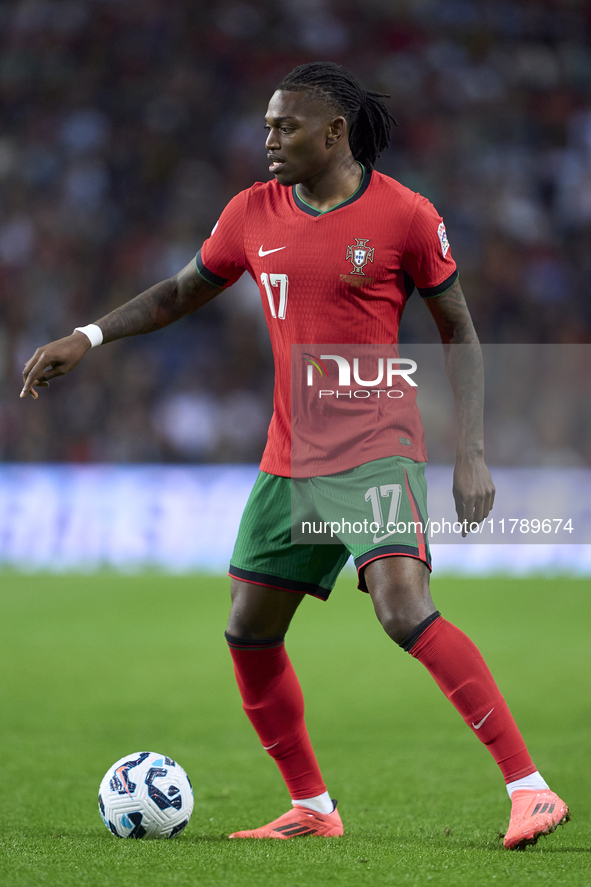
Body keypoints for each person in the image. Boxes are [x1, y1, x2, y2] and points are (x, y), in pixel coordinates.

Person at [21, 62, 568, 849]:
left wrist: (470, 452)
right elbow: (179, 291)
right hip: (289, 458)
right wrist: (90, 335)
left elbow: (460, 331)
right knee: (248, 630)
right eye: (267, 125)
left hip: (376, 446)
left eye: (285, 126)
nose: (268, 138)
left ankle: (530, 788)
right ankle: (311, 805)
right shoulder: (251, 211)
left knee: (400, 607)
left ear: (333, 132)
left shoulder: (405, 215)